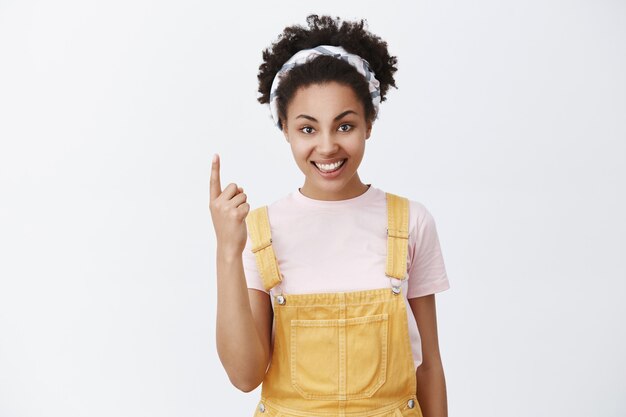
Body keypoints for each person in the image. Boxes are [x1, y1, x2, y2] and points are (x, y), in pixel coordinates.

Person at [210, 14, 450, 417]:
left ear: (369, 123)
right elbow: (244, 375)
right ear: (284, 128)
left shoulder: (411, 222)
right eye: (308, 129)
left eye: (344, 126)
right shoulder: (260, 232)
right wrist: (228, 252)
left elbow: (428, 367)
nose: (326, 146)